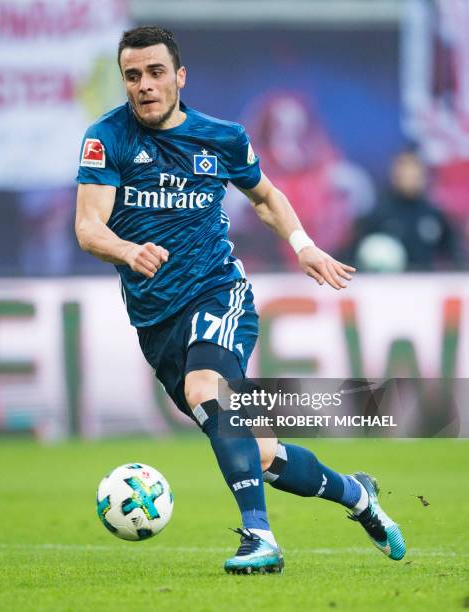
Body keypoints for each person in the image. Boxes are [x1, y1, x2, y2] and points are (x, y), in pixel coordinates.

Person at [75, 26, 405, 574]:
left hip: (217, 291)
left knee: (207, 388)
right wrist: (128, 251)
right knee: (265, 453)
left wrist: (302, 245)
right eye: (132, 76)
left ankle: (259, 537)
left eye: (156, 73)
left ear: (179, 77)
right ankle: (358, 495)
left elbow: (266, 196)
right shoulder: (107, 138)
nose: (144, 86)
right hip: (157, 322)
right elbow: (89, 227)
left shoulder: (221, 136)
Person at [353, 151, 463, 271]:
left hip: (426, 283)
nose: (410, 178)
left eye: (414, 175)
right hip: (387, 284)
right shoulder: (378, 213)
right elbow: (355, 251)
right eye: (405, 174)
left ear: (423, 177)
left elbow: (454, 254)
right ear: (395, 176)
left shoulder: (434, 214)